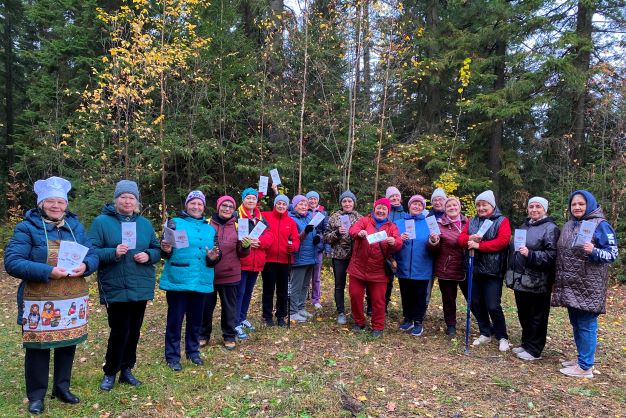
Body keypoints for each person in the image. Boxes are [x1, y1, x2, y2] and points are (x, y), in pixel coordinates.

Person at [4, 176, 98, 414]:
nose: (56, 206)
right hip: (39, 297)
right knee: (38, 347)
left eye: (61, 202)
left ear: (66, 204)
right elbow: (12, 262)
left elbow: (92, 253)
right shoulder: (27, 227)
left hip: (71, 298)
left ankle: (61, 387)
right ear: (41, 204)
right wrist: (48, 271)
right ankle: (36, 395)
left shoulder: (75, 227)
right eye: (51, 202)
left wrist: (86, 266)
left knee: (68, 342)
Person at [89, 180, 161, 391]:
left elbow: (157, 249)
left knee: (135, 330)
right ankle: (110, 371)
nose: (128, 201)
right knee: (119, 330)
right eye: (124, 197)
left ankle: (127, 370)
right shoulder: (101, 222)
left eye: (132, 198)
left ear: (136, 201)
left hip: (140, 284)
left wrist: (147, 255)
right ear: (116, 199)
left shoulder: (144, 224)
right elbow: (90, 251)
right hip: (116, 284)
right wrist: (113, 252)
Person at [552, 190, 618, 378]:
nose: (577, 207)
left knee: (587, 324)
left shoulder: (601, 225)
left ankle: (585, 367)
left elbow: (612, 254)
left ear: (589, 204)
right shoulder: (570, 225)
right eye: (574, 204)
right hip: (572, 284)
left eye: (581, 204)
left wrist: (594, 251)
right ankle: (582, 359)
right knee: (577, 323)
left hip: (589, 285)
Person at [160, 190, 220, 371]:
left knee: (196, 320)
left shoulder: (210, 228)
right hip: (179, 278)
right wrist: (166, 248)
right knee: (175, 320)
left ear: (204, 207)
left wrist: (212, 256)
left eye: (200, 204)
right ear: (187, 205)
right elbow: (164, 252)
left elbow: (216, 256)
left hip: (201, 279)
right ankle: (172, 356)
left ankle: (193, 352)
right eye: (193, 203)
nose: (196, 206)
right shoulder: (175, 223)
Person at [505, 196, 559, 361]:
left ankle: (535, 349)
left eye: (538, 207)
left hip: (538, 281)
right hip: (521, 280)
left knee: (537, 316)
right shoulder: (524, 226)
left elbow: (552, 255)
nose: (534, 210)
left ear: (545, 209)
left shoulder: (550, 228)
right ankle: (526, 343)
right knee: (524, 313)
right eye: (531, 206)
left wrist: (531, 255)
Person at [458, 190, 511, 352]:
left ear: (492, 205)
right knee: (475, 302)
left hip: (492, 270)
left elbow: (502, 241)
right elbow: (461, 238)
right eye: (478, 205)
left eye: (484, 205)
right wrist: (469, 239)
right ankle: (485, 332)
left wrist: (480, 246)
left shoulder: (502, 221)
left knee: (493, 305)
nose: (481, 208)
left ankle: (502, 336)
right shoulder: (472, 220)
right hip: (474, 268)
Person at [348, 198, 403, 337]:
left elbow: (399, 243)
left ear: (388, 212)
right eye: (379, 208)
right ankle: (359, 322)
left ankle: (378, 326)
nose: (381, 210)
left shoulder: (392, 227)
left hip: (379, 270)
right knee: (355, 295)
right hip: (358, 267)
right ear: (374, 208)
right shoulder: (364, 221)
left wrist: (394, 242)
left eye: (384, 209)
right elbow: (352, 229)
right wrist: (359, 233)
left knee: (378, 300)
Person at [203, 195, 250, 350]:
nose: (227, 209)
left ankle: (229, 336)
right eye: (224, 206)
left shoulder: (238, 226)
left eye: (230, 206)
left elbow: (242, 253)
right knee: (206, 307)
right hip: (209, 273)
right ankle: (203, 335)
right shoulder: (207, 224)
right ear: (218, 207)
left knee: (229, 308)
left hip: (231, 273)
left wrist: (245, 246)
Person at [234, 188, 273, 338]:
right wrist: (246, 243)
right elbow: (232, 236)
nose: (251, 201)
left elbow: (269, 235)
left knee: (248, 292)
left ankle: (242, 318)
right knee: (240, 292)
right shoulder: (236, 215)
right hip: (242, 260)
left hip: (256, 262)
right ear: (243, 199)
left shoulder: (260, 217)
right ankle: (235, 322)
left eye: (253, 198)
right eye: (248, 198)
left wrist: (260, 242)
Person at [428, 197, 469, 336]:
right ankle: (451, 325)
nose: (452, 207)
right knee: (449, 299)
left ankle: (485, 325)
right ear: (445, 209)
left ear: (459, 206)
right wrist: (433, 241)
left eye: (454, 205)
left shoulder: (469, 222)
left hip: (466, 267)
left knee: (473, 298)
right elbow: (433, 251)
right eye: (449, 206)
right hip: (447, 268)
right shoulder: (438, 225)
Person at [394, 195, 434, 337]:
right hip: (404, 264)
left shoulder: (429, 223)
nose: (416, 207)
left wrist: (434, 240)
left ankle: (418, 322)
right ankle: (408, 319)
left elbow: (436, 245)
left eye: (419, 205)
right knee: (406, 294)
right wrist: (399, 238)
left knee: (419, 295)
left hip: (422, 265)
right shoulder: (399, 223)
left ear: (423, 208)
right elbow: (393, 242)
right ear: (409, 206)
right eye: (414, 204)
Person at [262, 194, 301, 326]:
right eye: (279, 203)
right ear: (275, 204)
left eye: (284, 204)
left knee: (283, 290)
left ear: (287, 206)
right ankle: (267, 316)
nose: (281, 206)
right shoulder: (266, 216)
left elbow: (296, 239)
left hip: (285, 260)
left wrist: (294, 247)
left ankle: (281, 316)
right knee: (268, 289)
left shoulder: (291, 222)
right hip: (269, 260)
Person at [324, 191, 362, 325]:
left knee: (356, 286)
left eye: (349, 201)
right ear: (341, 203)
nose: (347, 204)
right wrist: (337, 233)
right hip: (339, 257)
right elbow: (326, 238)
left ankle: (355, 311)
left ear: (354, 203)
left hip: (356, 258)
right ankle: (340, 312)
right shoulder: (334, 217)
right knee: (339, 285)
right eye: (344, 201)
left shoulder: (360, 217)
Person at [289, 195, 323, 322]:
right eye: (300, 204)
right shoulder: (291, 219)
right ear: (295, 206)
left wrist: (317, 239)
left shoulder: (310, 217)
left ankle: (301, 308)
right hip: (299, 257)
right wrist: (306, 232)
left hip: (311, 257)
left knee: (304, 286)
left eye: (305, 204)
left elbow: (315, 233)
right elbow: (294, 238)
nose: (303, 207)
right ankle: (292, 311)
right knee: (296, 286)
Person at [306, 191, 330, 310]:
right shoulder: (303, 211)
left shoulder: (323, 213)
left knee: (316, 276)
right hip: (305, 247)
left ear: (318, 200)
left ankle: (316, 299)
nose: (312, 201)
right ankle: (303, 295)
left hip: (318, 248)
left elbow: (326, 231)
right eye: (310, 199)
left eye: (315, 199)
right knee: (304, 274)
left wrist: (327, 248)